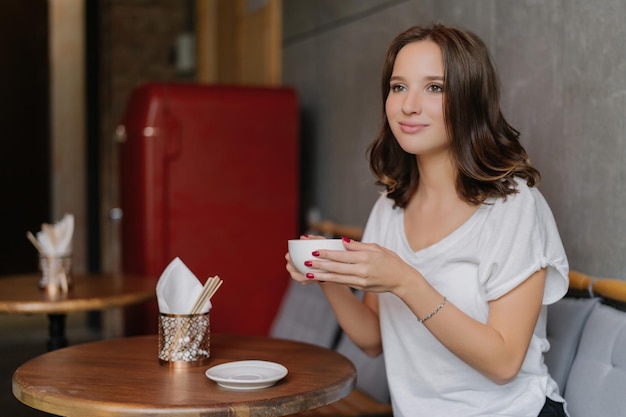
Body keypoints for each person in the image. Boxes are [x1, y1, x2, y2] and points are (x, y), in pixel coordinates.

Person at [285, 23, 569, 417]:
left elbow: (504, 363)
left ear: (469, 99)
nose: (408, 105)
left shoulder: (514, 206)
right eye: (398, 87)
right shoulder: (390, 207)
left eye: (434, 87)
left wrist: (406, 281)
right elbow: (371, 338)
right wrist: (327, 275)